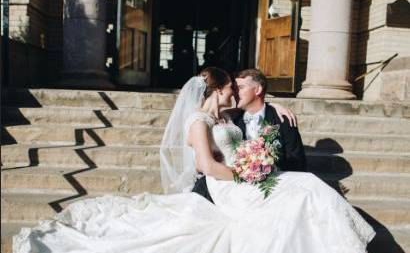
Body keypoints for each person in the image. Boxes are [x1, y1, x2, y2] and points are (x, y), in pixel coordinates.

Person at [13, 67, 375, 253]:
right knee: (306, 187)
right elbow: (206, 165)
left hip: (242, 178)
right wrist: (245, 175)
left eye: (238, 86)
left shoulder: (225, 116)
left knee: (307, 186)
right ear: (218, 90)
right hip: (227, 184)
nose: (235, 88)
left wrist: (277, 103)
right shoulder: (199, 121)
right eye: (231, 86)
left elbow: (255, 106)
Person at [192, 69, 306, 203]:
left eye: (240, 87)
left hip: (273, 186)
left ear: (257, 90)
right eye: (233, 88)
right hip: (231, 183)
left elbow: (297, 162)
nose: (235, 92)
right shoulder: (231, 118)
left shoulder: (282, 118)